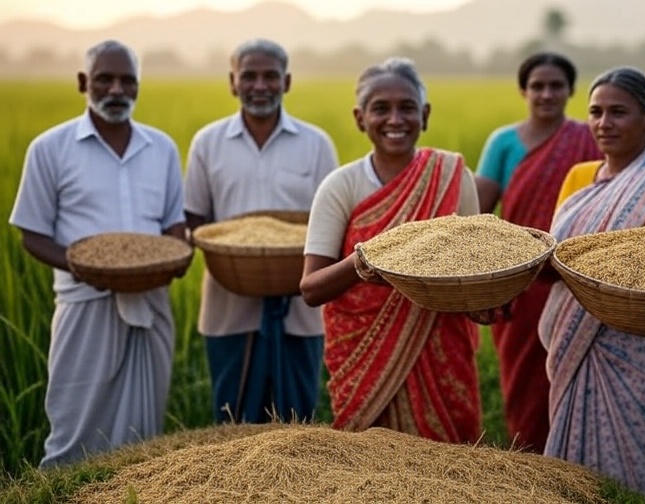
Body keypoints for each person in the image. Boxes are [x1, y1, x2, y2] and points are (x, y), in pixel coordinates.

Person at [538, 67, 645, 503]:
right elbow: (557, 258)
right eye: (595, 112)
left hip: (644, 355)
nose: (603, 123)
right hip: (574, 344)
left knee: (640, 485)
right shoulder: (579, 179)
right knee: (572, 483)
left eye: (618, 112)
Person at [8, 40, 185, 467]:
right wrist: (84, 265)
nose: (116, 90)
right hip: (83, 302)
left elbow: (174, 225)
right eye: (104, 79)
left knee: (145, 432)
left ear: (138, 88)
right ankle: (63, 491)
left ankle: (136, 492)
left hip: (150, 301)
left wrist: (176, 256)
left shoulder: (160, 147)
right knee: (75, 426)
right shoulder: (50, 148)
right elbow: (31, 234)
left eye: (127, 81)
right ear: (83, 82)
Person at [300, 57, 482, 443]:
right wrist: (363, 261)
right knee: (373, 469)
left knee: (449, 470)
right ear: (360, 118)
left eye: (407, 107)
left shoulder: (451, 176)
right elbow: (312, 288)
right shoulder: (340, 186)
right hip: (362, 356)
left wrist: (491, 302)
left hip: (440, 348)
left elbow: (476, 270)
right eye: (381, 108)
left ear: (425, 114)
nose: (395, 119)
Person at [184, 39, 338, 423]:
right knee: (232, 419)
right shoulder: (208, 143)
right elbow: (194, 220)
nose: (259, 85)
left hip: (301, 309)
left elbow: (332, 223)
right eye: (248, 76)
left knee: (297, 420)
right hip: (228, 305)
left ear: (286, 82)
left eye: (270, 76)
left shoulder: (315, 144)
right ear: (232, 83)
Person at [474, 52, 600, 452]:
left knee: (576, 382)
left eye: (556, 86)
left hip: (576, 281)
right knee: (524, 387)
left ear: (570, 90)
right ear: (523, 91)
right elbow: (478, 217)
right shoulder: (503, 142)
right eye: (537, 86)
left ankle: (575, 469)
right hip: (520, 284)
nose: (547, 94)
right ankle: (531, 467)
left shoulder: (590, 138)